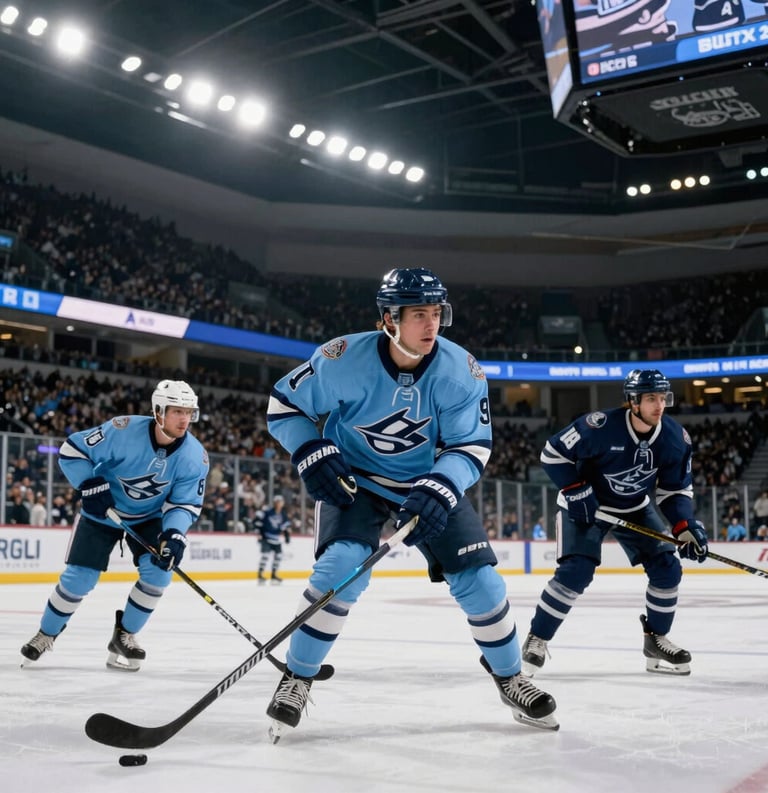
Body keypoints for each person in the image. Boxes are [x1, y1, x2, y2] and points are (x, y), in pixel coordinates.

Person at [264, 267, 558, 742]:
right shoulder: (340, 358)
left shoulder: (461, 371)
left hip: (428, 485)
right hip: (355, 482)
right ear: (388, 319)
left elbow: (472, 445)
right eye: (418, 314)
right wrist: (310, 449)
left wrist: (443, 485)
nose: (431, 325)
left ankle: (510, 677)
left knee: (481, 581)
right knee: (338, 572)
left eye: (437, 313)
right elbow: (283, 406)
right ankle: (297, 675)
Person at [522, 369, 709, 678]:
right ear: (632, 401)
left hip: (634, 507)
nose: (659, 406)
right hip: (586, 505)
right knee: (575, 573)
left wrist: (684, 525)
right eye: (651, 398)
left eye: (663, 398)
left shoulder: (675, 438)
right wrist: (574, 489)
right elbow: (552, 454)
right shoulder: (600, 426)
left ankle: (656, 640)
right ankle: (537, 638)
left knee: (667, 569)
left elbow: (674, 490)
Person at [20, 380, 209, 671]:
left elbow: (184, 505)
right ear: (159, 411)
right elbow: (72, 451)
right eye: (176, 411)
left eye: (189, 412)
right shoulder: (122, 430)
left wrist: (174, 534)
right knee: (80, 578)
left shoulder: (195, 456)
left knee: (159, 573)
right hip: (101, 514)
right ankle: (46, 633)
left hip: (148, 517)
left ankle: (125, 635)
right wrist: (89, 484)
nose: (184, 419)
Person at [256, 494, 292, 583]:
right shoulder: (268, 512)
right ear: (275, 503)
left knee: (278, 556)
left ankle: (273, 574)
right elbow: (259, 523)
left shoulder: (283, 514)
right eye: (277, 502)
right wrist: (260, 534)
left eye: (280, 502)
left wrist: (287, 536)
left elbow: (285, 527)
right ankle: (260, 574)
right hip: (267, 537)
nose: (279, 504)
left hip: (276, 539)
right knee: (265, 556)